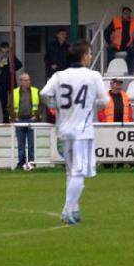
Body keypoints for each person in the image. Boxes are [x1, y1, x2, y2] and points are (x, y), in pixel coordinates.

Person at [40, 41, 108, 225]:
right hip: (82, 132)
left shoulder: (59, 75)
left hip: (64, 129)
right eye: (90, 53)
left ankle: (74, 209)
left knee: (71, 172)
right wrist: (90, 103)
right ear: (84, 55)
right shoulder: (93, 76)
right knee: (79, 173)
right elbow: (104, 101)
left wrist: (57, 107)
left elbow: (44, 93)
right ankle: (68, 211)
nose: (91, 57)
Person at [12, 73, 43, 169]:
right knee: (21, 144)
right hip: (19, 120)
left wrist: (36, 116)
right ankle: (21, 163)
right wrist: (13, 118)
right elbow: (10, 106)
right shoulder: (15, 92)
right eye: (26, 80)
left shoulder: (35, 91)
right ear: (21, 81)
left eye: (28, 80)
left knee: (31, 143)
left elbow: (41, 105)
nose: (28, 82)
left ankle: (31, 162)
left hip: (31, 120)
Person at [104, 6, 134, 71]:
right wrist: (110, 43)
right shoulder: (115, 21)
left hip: (129, 45)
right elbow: (106, 32)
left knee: (133, 50)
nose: (127, 15)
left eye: (128, 13)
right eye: (125, 13)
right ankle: (110, 68)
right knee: (109, 49)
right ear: (122, 14)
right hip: (117, 45)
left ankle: (127, 68)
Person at [0, 41, 19, 123]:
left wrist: (12, 67)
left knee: (13, 101)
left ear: (8, 48)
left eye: (6, 48)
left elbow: (19, 64)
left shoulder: (11, 57)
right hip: (2, 83)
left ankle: (13, 118)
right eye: (3, 48)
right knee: (3, 102)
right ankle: (5, 119)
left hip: (11, 81)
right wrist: (1, 65)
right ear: (0, 49)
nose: (4, 50)